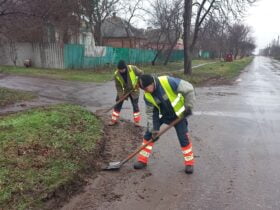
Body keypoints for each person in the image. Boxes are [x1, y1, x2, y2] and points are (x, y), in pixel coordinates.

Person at [134, 74, 196, 174]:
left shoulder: (168, 81)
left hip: (178, 115)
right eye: (143, 89)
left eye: (146, 88)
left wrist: (189, 106)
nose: (145, 91)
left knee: (183, 138)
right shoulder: (147, 95)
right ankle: (142, 160)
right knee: (149, 135)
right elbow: (151, 113)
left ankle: (189, 163)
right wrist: (154, 129)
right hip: (163, 115)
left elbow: (189, 89)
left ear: (152, 83)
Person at [109, 60, 144, 127]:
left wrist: (138, 83)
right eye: (119, 70)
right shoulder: (116, 74)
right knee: (118, 104)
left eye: (122, 69)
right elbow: (118, 86)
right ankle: (113, 120)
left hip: (134, 90)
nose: (121, 71)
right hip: (124, 90)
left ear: (125, 67)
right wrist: (121, 95)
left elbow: (142, 73)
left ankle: (137, 121)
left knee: (135, 106)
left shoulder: (133, 68)